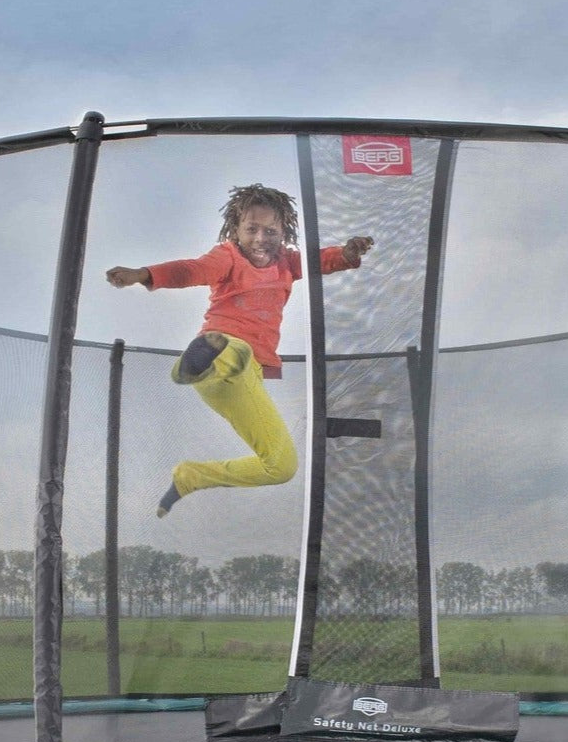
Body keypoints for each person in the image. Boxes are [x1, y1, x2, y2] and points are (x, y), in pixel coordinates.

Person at [106, 183, 373, 516]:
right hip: (224, 352)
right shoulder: (228, 256)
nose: (261, 239)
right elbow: (192, 270)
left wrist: (347, 254)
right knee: (236, 350)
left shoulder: (287, 263)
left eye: (271, 231)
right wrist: (145, 274)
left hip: (249, 377)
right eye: (251, 229)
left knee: (281, 467)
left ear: (284, 233)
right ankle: (194, 365)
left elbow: (321, 260)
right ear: (236, 229)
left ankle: (192, 476)